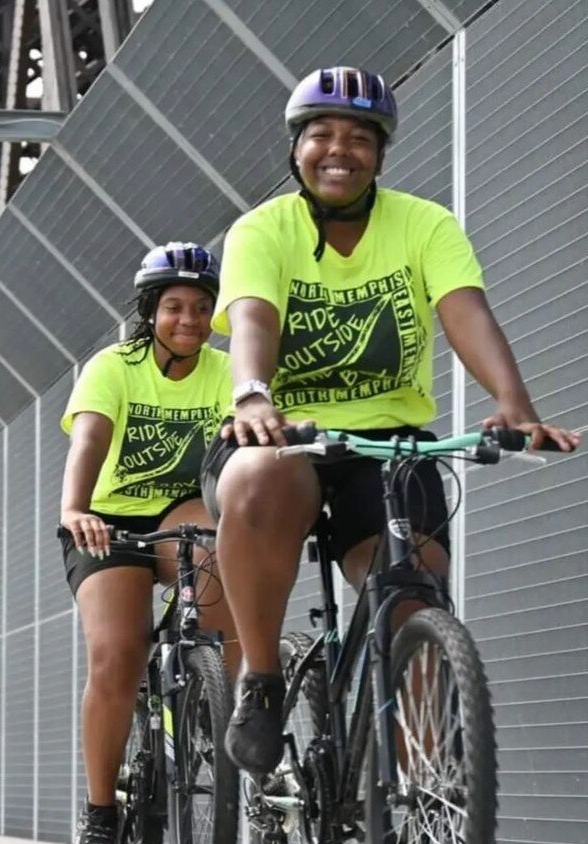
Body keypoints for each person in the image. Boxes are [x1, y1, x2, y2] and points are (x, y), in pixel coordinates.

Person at [201, 66, 581, 776]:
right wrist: (252, 395)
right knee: (257, 475)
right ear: (296, 147)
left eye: (358, 138)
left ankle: (420, 810)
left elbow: (465, 312)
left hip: (389, 445)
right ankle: (261, 678)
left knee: (412, 599)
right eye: (321, 134)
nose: (338, 149)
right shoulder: (263, 230)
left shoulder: (424, 225)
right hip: (284, 437)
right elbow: (253, 320)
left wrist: (514, 404)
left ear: (380, 153)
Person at [58, 241, 239, 844]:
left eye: (200, 307)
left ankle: (215, 710)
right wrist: (75, 507)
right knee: (116, 654)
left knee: (227, 573)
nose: (187, 319)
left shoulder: (225, 370)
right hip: (106, 522)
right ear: (149, 311)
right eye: (173, 307)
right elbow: (90, 439)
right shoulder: (114, 365)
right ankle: (101, 808)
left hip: (181, 511)